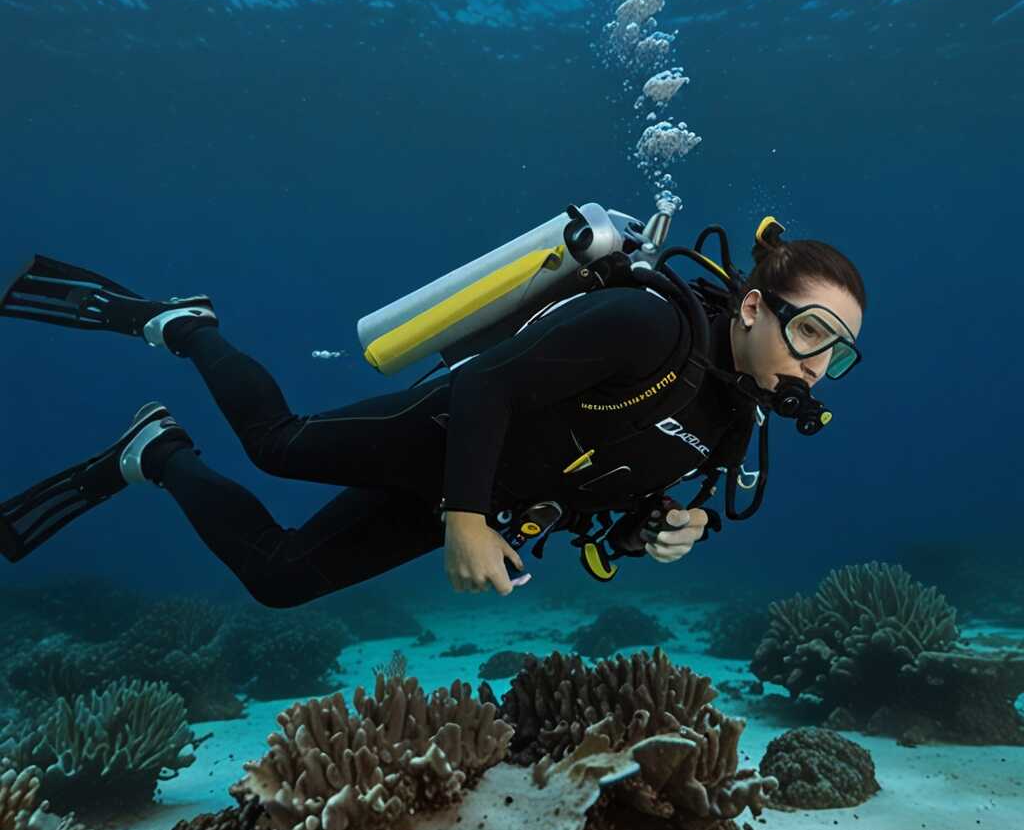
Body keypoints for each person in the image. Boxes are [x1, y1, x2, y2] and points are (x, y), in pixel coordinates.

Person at [0, 229, 864, 605]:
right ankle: (189, 327)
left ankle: (157, 452)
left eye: (839, 353)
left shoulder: (737, 422)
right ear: (752, 305)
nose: (818, 366)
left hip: (485, 502)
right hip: (448, 439)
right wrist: (463, 516)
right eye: (812, 331)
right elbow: (488, 382)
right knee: (277, 446)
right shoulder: (651, 325)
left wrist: (661, 531)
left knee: (279, 579)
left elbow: (617, 484)